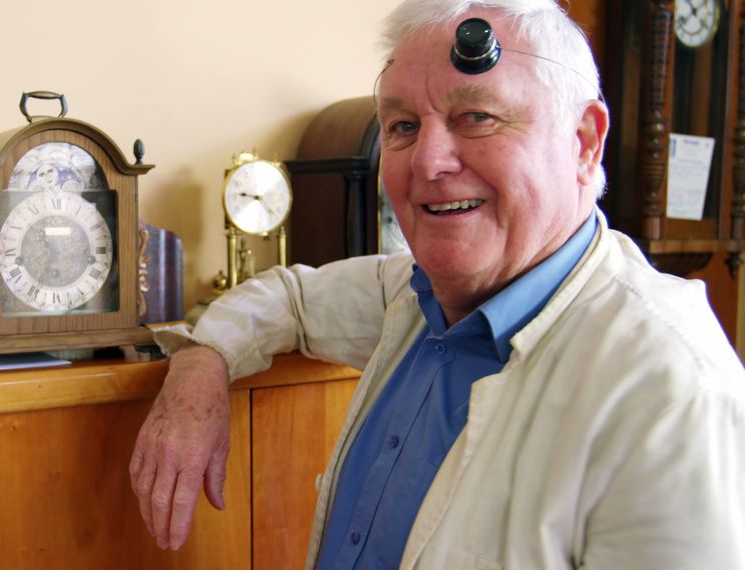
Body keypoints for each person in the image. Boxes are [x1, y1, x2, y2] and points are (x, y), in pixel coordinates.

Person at [129, 0, 745, 567]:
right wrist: (199, 367)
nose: (427, 162)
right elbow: (289, 297)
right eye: (402, 126)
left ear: (583, 142)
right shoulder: (417, 296)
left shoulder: (670, 387)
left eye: (476, 116)